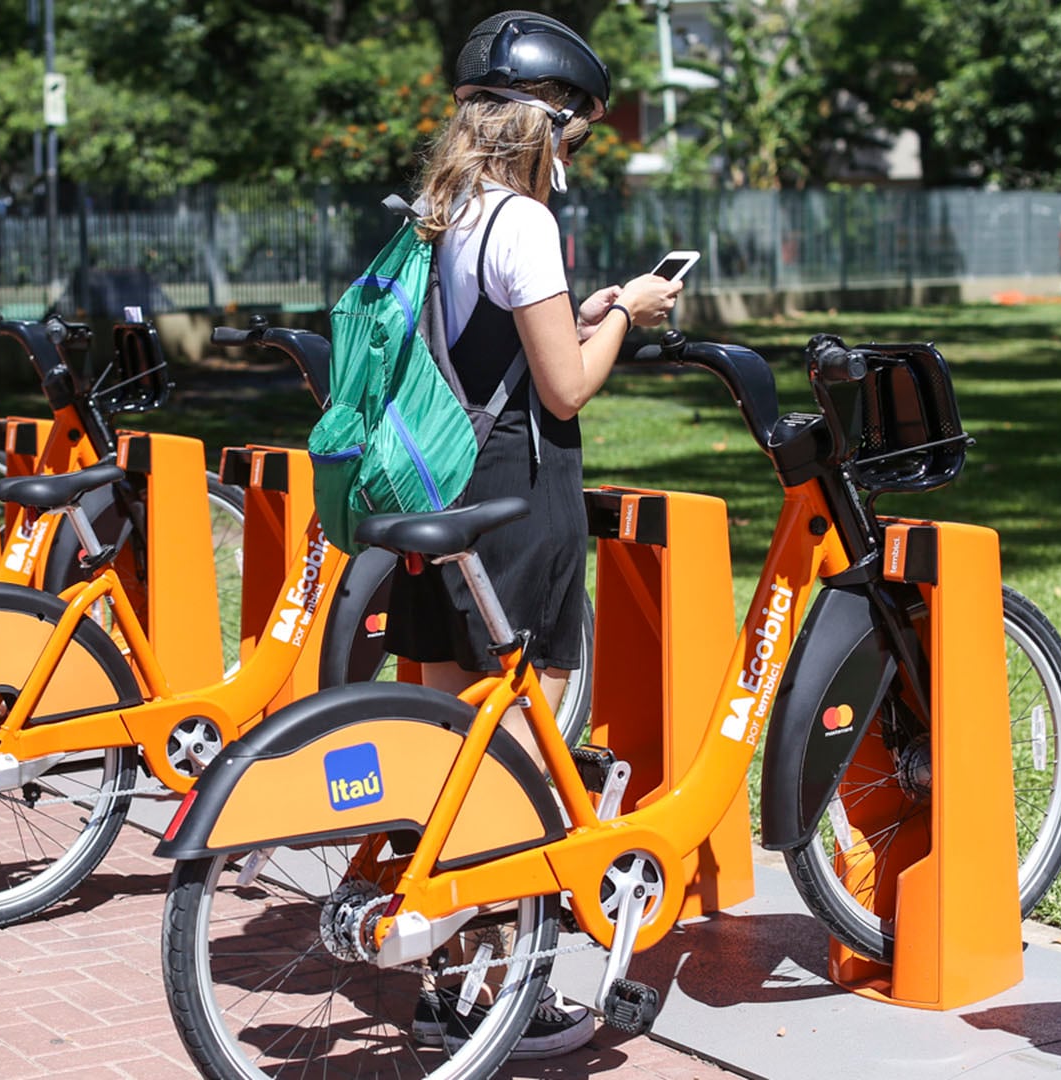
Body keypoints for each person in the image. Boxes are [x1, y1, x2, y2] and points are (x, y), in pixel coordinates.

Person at [390, 9, 683, 1061]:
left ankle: (445, 978)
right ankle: (496, 987)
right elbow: (562, 383)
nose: (580, 154)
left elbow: (486, 341)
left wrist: (583, 303)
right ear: (548, 126)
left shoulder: (440, 211)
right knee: (516, 745)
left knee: (443, 747)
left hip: (438, 479)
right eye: (582, 134)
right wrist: (627, 314)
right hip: (517, 489)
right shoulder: (520, 221)